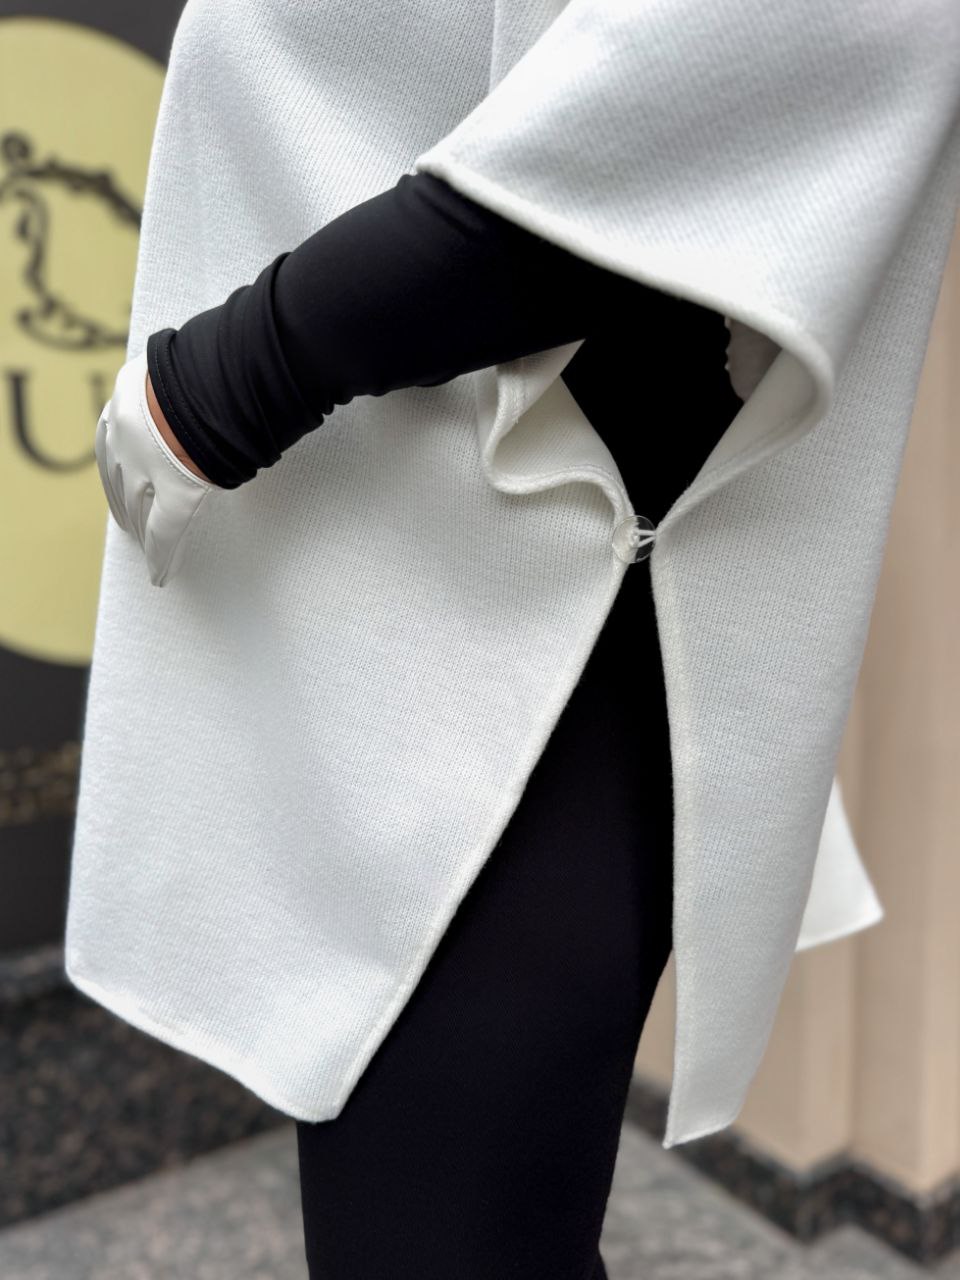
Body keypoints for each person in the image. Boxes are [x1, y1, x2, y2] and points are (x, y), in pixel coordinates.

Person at [67, 3, 960, 1276]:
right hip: (409, 588)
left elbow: (746, 61)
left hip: (527, 629)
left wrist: (236, 373)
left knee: (447, 1238)